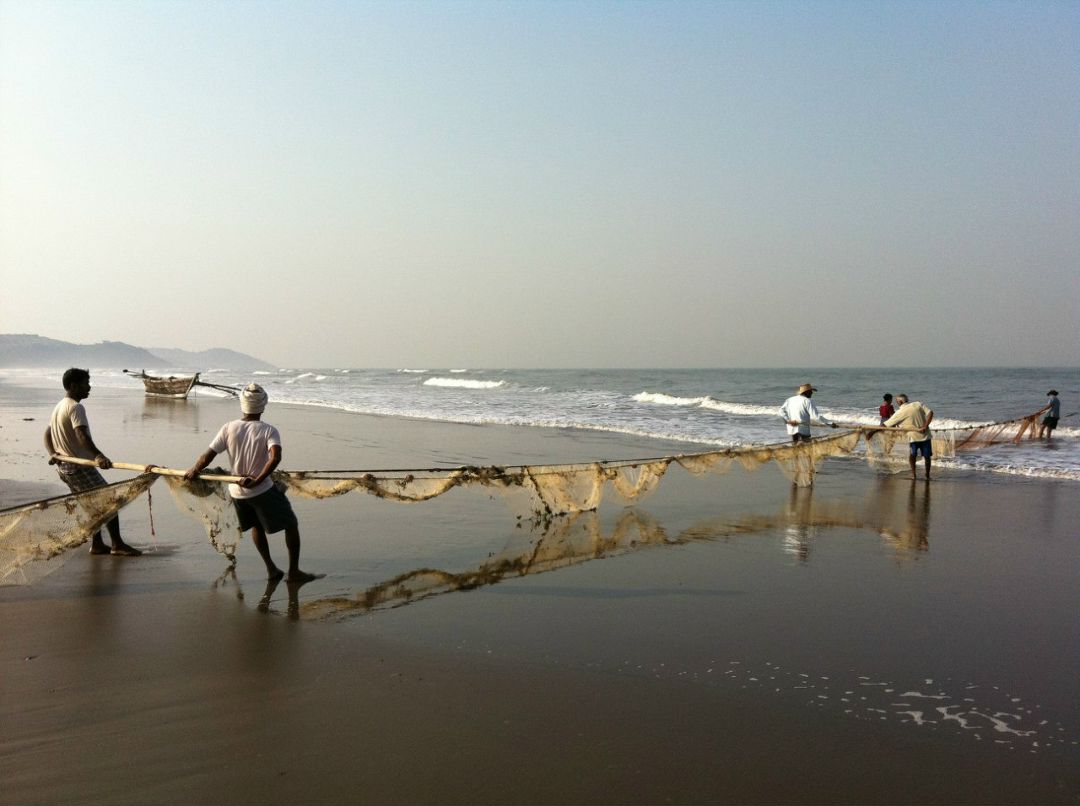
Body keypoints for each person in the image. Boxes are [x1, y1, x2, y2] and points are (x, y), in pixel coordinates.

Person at [184, 384, 317, 583]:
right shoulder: (269, 430)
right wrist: (259, 480)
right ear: (262, 406)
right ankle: (294, 572)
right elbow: (275, 458)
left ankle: (271, 569)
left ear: (243, 406)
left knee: (256, 525)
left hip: (237, 492)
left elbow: (208, 456)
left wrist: (194, 470)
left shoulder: (229, 427)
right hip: (262, 490)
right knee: (291, 524)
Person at [43, 368, 143, 556]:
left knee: (91, 504)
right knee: (110, 500)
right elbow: (81, 434)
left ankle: (97, 544)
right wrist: (98, 455)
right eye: (85, 384)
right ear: (73, 386)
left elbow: (47, 433)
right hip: (80, 466)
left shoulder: (59, 406)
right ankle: (117, 544)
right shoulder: (75, 407)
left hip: (65, 467)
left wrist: (53, 453)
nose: (89, 387)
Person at [883, 394, 935, 480]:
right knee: (927, 457)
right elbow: (930, 413)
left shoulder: (900, 412)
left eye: (897, 402)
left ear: (900, 402)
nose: (897, 403)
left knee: (912, 455)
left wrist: (872, 432)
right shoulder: (918, 404)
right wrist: (925, 426)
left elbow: (885, 425)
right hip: (926, 436)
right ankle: (927, 475)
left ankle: (914, 475)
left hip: (913, 438)